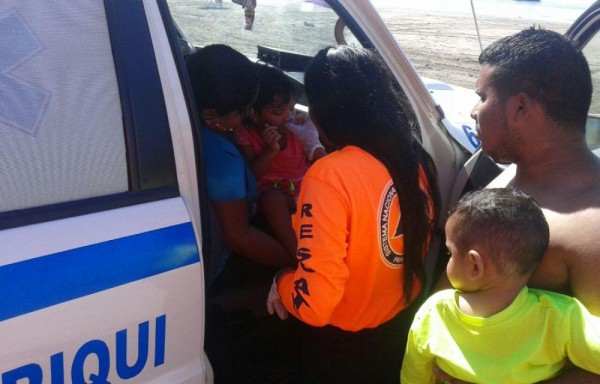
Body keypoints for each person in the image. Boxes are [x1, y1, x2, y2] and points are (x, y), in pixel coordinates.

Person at [266, 45, 440, 382]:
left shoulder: (329, 174)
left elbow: (314, 304)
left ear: (321, 113)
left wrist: (281, 284)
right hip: (400, 328)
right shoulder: (414, 157)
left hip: (340, 349)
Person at [436, 27, 600, 383]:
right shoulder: (514, 171)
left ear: (521, 107)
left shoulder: (590, 229)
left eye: (482, 96)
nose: (474, 110)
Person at [402, 188, 600, 384]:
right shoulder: (560, 317)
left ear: (474, 265)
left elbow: (414, 377)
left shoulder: (434, 311)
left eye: (450, 253)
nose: (449, 262)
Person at [186, 44, 294, 279]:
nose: (247, 117)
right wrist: (294, 264)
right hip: (225, 262)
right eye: (243, 111)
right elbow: (240, 238)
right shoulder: (223, 160)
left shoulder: (196, 129)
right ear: (211, 116)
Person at [236, 63, 316, 256]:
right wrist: (271, 151)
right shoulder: (246, 136)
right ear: (253, 114)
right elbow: (251, 175)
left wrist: (310, 137)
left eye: (290, 109)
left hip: (304, 196)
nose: (287, 116)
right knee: (273, 200)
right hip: (272, 202)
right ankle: (299, 256)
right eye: (278, 113)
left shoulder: (295, 131)